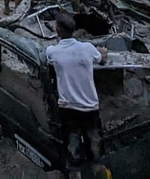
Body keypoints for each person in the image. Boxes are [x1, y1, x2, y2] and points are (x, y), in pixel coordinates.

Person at [46, 12, 107, 179]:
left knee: (73, 152)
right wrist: (102, 51)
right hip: (90, 107)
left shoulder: (53, 52)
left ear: (58, 29)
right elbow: (102, 59)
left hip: (68, 108)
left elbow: (48, 58)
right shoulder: (88, 48)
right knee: (96, 153)